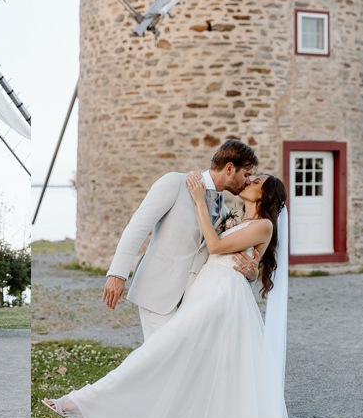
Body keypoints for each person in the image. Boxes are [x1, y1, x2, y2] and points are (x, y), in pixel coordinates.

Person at [43, 173, 322, 418]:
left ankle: (82, 401)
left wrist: (197, 203)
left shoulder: (264, 226)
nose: (249, 180)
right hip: (204, 291)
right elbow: (216, 252)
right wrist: (248, 267)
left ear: (266, 195)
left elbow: (216, 245)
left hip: (220, 299)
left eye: (257, 180)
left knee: (158, 353)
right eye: (250, 176)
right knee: (196, 377)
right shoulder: (236, 218)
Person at [102, 140, 260, 342]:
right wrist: (117, 274)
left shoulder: (225, 212)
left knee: (179, 366)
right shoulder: (174, 183)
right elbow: (137, 227)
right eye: (246, 174)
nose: (247, 181)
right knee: (159, 359)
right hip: (157, 293)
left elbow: (226, 256)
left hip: (193, 302)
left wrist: (251, 274)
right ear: (230, 168)